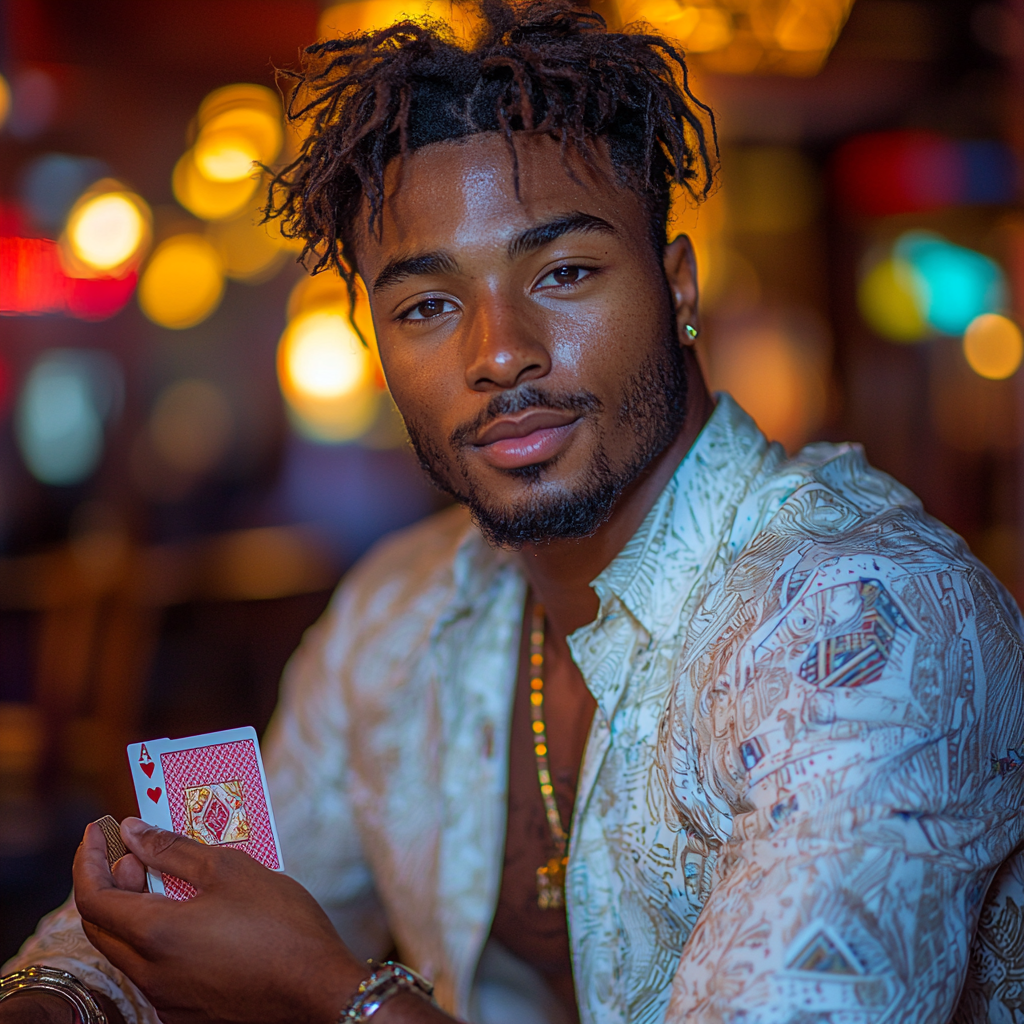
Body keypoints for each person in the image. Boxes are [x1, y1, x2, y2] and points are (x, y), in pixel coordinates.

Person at [3, 2, 1024, 1022]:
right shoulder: (398, 613)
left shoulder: (864, 626)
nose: (498, 351)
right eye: (427, 306)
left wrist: (332, 993)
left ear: (676, 287)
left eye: (564, 271)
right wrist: (62, 996)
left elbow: (283, 964)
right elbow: (195, 916)